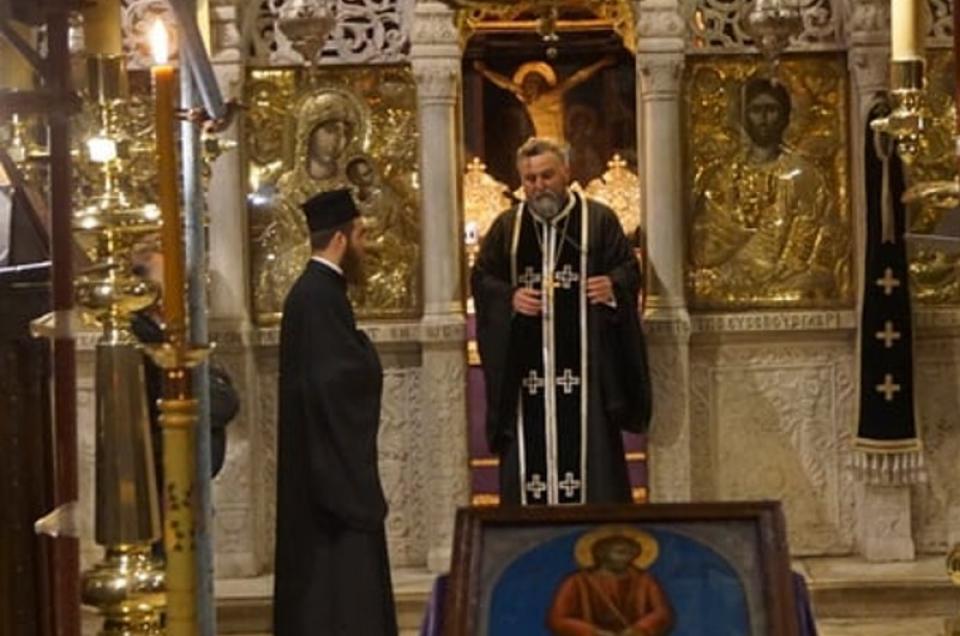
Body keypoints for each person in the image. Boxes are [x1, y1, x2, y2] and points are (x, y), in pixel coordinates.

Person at [471, 137, 652, 506]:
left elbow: (629, 269)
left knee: (592, 464)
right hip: (526, 377)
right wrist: (510, 297)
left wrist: (612, 285)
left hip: (588, 375)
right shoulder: (508, 228)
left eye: (547, 175)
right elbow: (483, 279)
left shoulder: (598, 221)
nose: (538, 186)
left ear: (566, 172)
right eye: (530, 179)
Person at [273, 189, 397, 636]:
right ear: (342, 239)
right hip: (330, 477)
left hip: (319, 462)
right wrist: (366, 354)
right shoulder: (319, 296)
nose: (366, 246)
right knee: (339, 586)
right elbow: (336, 380)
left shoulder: (314, 292)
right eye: (361, 236)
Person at [691, 77, 845, 305]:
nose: (763, 118)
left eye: (771, 110)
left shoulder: (804, 174)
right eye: (756, 110)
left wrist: (788, 270)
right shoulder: (724, 176)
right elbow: (705, 245)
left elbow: (822, 232)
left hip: (787, 278)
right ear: (743, 117)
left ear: (786, 117)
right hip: (730, 274)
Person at [547, 532, 673, 636]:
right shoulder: (576, 581)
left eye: (631, 554)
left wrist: (639, 629)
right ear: (602, 554)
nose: (627, 558)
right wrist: (594, 632)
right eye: (620, 553)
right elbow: (558, 619)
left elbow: (662, 613)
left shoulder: (645, 581)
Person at [474, 57, 614, 142]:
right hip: (540, 144)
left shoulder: (554, 94)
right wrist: (484, 71)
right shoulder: (527, 98)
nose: (532, 85)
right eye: (529, 82)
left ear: (543, 83)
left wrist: (601, 63)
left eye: (536, 82)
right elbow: (505, 83)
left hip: (558, 144)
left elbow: (578, 77)